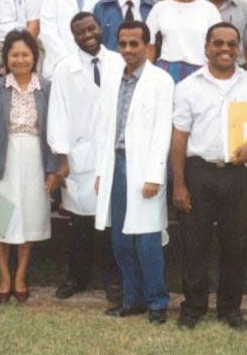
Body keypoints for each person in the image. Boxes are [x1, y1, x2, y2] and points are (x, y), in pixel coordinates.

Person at [171, 22, 247, 331]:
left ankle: (230, 309)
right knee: (195, 243)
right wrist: (179, 184)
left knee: (235, 244)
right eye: (218, 43)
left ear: (238, 48)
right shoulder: (188, 87)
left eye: (231, 43)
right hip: (200, 173)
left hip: (240, 175)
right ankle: (193, 307)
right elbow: (179, 138)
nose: (225, 49)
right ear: (206, 48)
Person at [94, 20, 174, 325]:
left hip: (143, 167)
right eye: (123, 44)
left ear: (147, 46)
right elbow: (104, 127)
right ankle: (132, 299)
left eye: (134, 44)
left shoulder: (160, 80)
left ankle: (157, 302)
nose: (128, 50)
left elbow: (163, 130)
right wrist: (101, 171)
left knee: (147, 239)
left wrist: (154, 175)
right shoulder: (113, 78)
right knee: (121, 240)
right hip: (115, 163)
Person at [0, 29, 59, 303]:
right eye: (14, 55)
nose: (20, 60)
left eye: (25, 54)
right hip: (3, 158)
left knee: (29, 217)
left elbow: (55, 131)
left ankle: (20, 276)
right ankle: (4, 276)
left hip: (35, 158)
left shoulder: (46, 88)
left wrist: (52, 169)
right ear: (6, 57)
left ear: (34, 57)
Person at [47, 12, 122, 302]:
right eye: (80, 31)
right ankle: (76, 277)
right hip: (79, 154)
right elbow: (58, 114)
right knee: (80, 221)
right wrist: (63, 158)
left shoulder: (118, 62)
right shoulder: (65, 69)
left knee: (111, 219)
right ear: (73, 36)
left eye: (91, 28)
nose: (88, 35)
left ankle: (113, 279)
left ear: (100, 28)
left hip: (112, 151)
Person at [146, 0, 221, 83]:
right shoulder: (160, 8)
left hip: (200, 72)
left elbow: (218, 45)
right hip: (167, 71)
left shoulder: (209, 9)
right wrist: (148, 75)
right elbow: (149, 44)